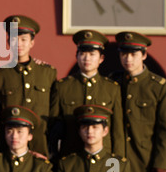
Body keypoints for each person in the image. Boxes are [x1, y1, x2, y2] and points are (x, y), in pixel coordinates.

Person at [110, 31, 166, 172]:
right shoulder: (113, 83)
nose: (128, 59)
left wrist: (161, 163)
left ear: (144, 55)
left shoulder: (159, 87)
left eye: (133, 54)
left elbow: (165, 130)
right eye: (124, 54)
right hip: (117, 161)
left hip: (148, 162)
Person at [0, 15, 56, 157]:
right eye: (14, 39)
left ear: (32, 42)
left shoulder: (47, 73)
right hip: (8, 147)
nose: (19, 44)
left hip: (39, 144)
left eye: (23, 39)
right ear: (7, 42)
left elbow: (54, 113)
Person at [49, 30, 124, 159]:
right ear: (76, 56)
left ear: (101, 59)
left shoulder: (112, 88)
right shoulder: (62, 87)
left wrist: (115, 169)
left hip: (103, 159)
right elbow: (52, 128)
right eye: (83, 53)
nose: (87, 58)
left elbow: (117, 132)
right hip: (70, 157)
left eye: (92, 54)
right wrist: (53, 159)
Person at [56, 104, 132, 172]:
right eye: (85, 127)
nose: (89, 131)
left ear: (105, 131)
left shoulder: (117, 164)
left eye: (95, 127)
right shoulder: (67, 164)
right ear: (79, 131)